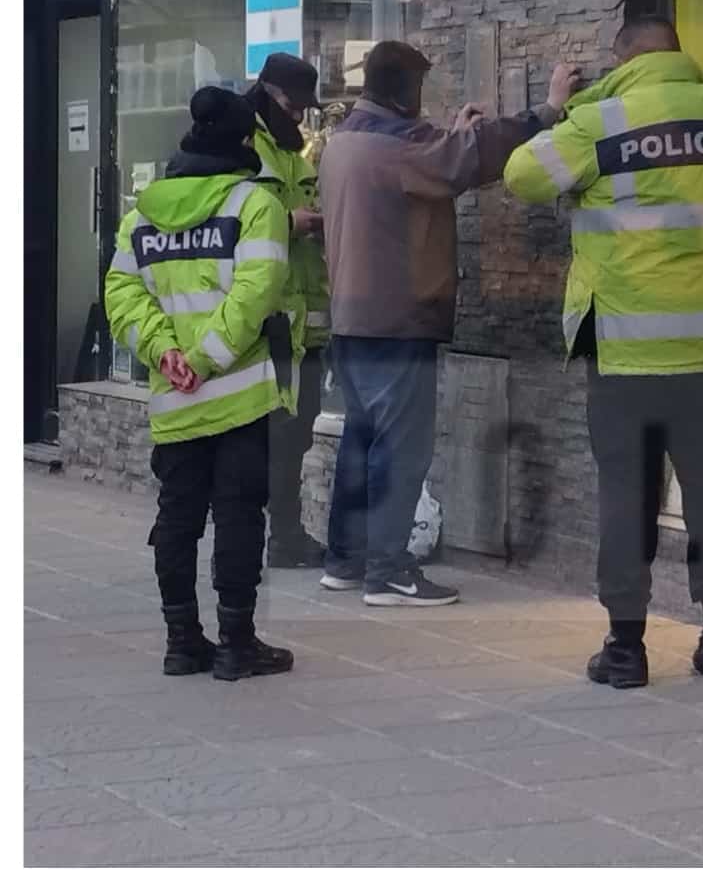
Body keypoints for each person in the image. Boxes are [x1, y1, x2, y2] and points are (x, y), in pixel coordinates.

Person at [504, 18, 703, 688]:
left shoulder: (598, 123)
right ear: (676, 54)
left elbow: (521, 176)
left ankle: (626, 650)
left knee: (627, 495)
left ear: (621, 59)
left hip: (627, 357)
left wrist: (565, 110)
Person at [317, 41, 576, 606]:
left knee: (361, 442)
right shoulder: (397, 147)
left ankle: (346, 558)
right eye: (419, 88)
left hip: (352, 320)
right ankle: (387, 571)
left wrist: (452, 132)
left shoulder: (344, 143)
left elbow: (435, 160)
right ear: (403, 89)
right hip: (397, 319)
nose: (423, 98)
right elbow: (472, 158)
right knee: (401, 449)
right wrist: (549, 110)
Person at [103, 86, 297, 680]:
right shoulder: (254, 205)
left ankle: (182, 642)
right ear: (243, 141)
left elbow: (121, 295)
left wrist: (167, 356)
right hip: (238, 395)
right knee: (240, 514)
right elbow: (256, 292)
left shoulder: (141, 214)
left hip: (175, 400)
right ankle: (237, 643)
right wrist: (205, 359)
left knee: (178, 517)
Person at [246, 52, 331, 568]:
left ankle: (286, 534)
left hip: (305, 325)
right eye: (294, 105)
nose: (300, 116)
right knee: (267, 439)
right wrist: (287, 222)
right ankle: (267, 534)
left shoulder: (292, 154)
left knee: (294, 437)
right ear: (271, 95)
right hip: (267, 321)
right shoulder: (244, 147)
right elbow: (228, 222)